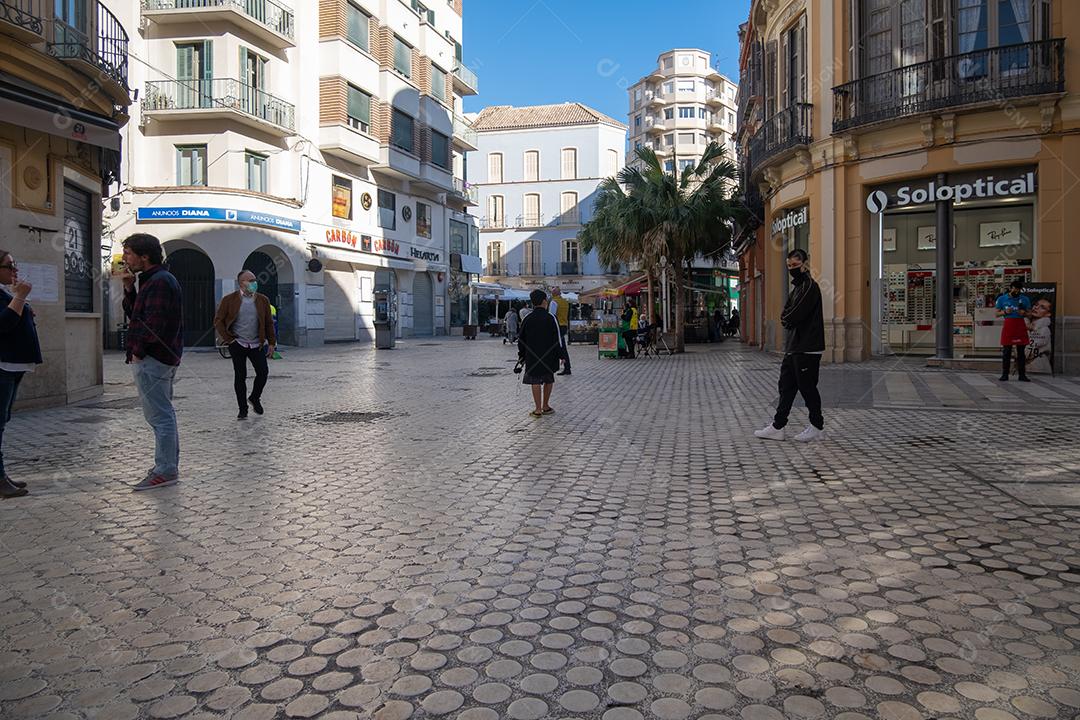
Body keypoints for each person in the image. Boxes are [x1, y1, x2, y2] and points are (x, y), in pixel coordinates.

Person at [122, 234, 184, 490]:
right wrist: (128, 288)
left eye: (128, 253)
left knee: (160, 416)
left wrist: (139, 350)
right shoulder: (152, 280)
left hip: (154, 358)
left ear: (144, 256)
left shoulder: (159, 282)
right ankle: (167, 466)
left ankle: (165, 470)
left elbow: (153, 324)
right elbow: (138, 314)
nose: (124, 258)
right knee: (162, 414)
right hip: (156, 357)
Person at [755, 249, 825, 442]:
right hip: (795, 346)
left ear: (805, 264)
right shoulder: (797, 289)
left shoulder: (810, 287)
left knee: (807, 387)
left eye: (795, 265)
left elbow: (792, 316)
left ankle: (817, 426)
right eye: (789, 266)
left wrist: (787, 318)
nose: (792, 269)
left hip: (807, 346)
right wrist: (787, 318)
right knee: (786, 386)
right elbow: (786, 313)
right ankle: (778, 426)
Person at [0, 251, 42, 498]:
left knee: (3, 422)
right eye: (9, 266)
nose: (14, 271)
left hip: (14, 365)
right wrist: (19, 298)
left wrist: (22, 305)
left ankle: (2, 475)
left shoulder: (5, 292)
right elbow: (3, 324)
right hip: (3, 365)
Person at [213, 270, 277, 419]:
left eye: (255, 280)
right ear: (242, 283)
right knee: (240, 376)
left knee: (263, 372)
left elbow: (268, 323)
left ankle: (255, 397)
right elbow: (218, 321)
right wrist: (229, 339)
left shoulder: (263, 300)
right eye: (251, 280)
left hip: (257, 344)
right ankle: (243, 409)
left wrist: (272, 342)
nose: (255, 283)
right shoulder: (229, 300)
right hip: (238, 343)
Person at [518, 288, 561, 418]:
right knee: (548, 379)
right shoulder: (551, 318)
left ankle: (537, 410)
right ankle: (546, 406)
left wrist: (522, 354)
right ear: (544, 301)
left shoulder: (527, 318)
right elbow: (557, 338)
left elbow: (521, 338)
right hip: (549, 354)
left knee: (535, 380)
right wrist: (561, 354)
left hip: (532, 355)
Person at [996, 279, 1031, 382]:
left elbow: (1030, 314)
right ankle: (1005, 374)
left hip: (1020, 325)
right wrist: (1005, 312)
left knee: (1021, 352)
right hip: (1009, 326)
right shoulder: (1002, 299)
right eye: (1015, 289)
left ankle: (1022, 375)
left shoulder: (1024, 299)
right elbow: (996, 314)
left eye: (1019, 290)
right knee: (1006, 352)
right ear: (1011, 288)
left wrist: (1024, 313)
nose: (1017, 292)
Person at [1026, 296, 1052, 375]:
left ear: (1048, 314)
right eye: (1036, 304)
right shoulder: (1029, 326)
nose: (1036, 307)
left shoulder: (1044, 330)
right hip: (1028, 365)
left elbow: (1026, 351)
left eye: (1042, 307)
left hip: (1038, 366)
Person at [549, 286, 572, 375]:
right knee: (562, 347)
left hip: (557, 326)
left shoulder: (554, 302)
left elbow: (552, 316)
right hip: (564, 325)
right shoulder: (565, 302)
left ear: (553, 294)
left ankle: (563, 368)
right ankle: (567, 367)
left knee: (557, 347)